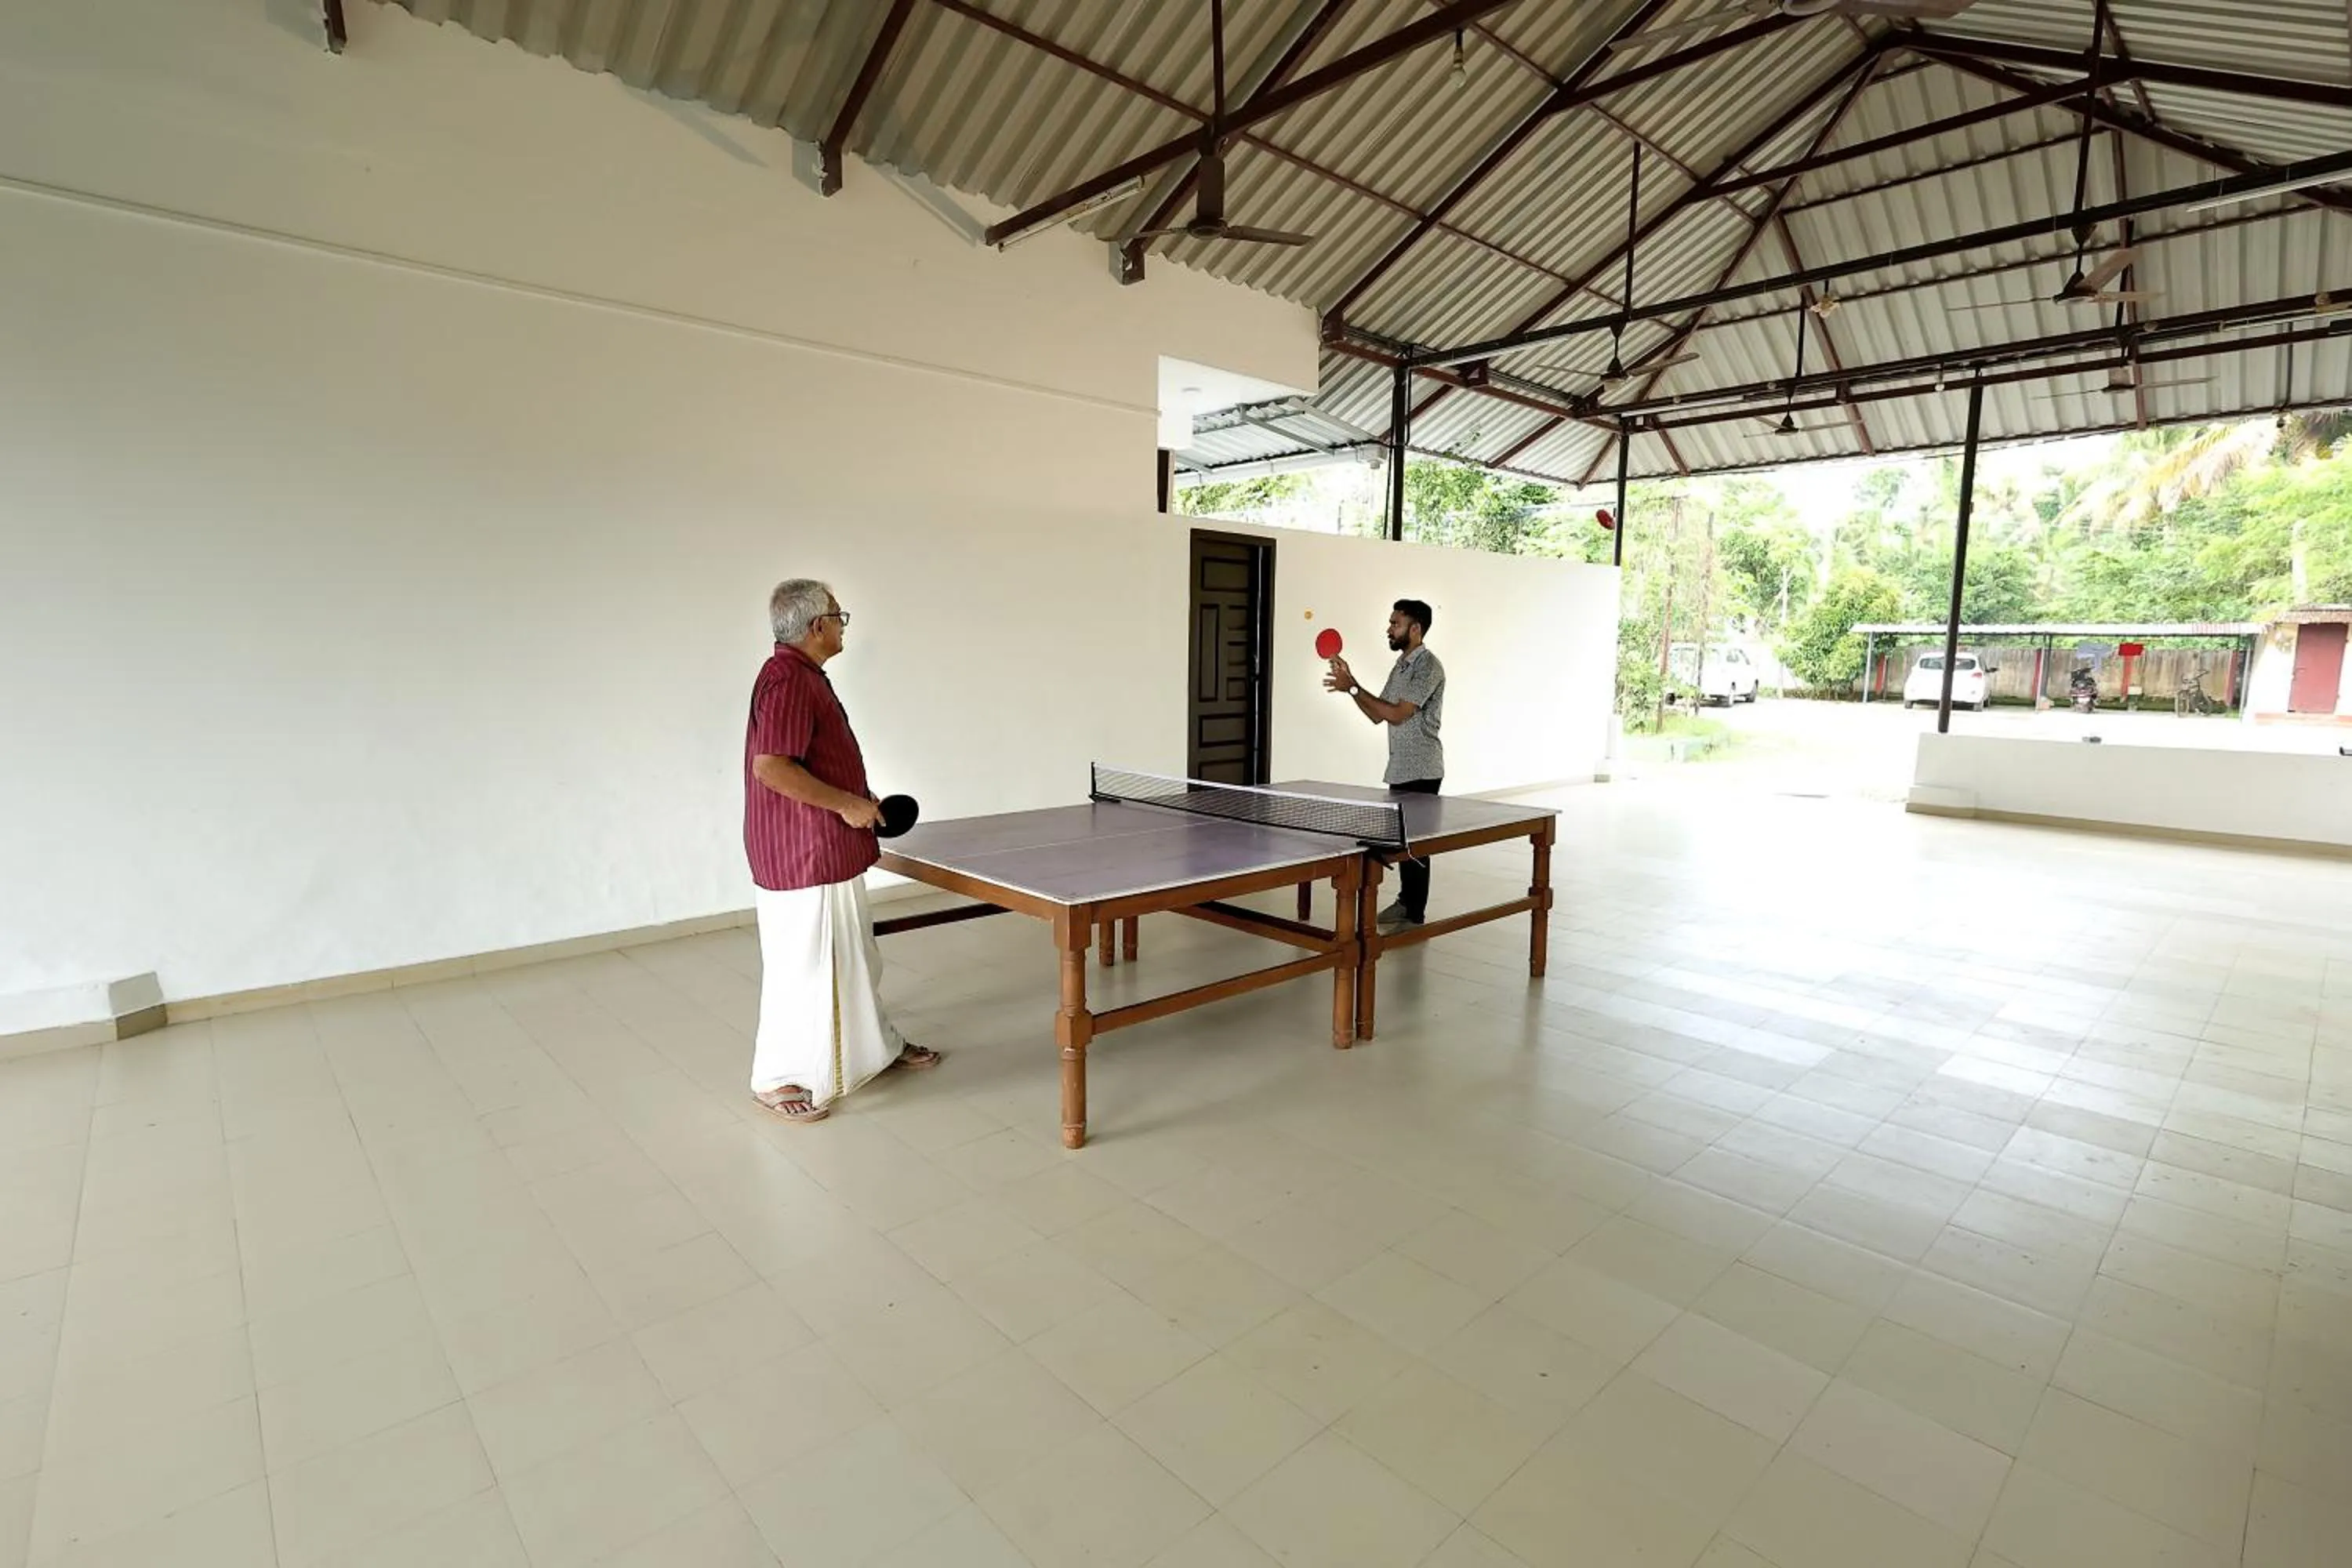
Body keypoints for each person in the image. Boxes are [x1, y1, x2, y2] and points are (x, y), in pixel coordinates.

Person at [742, 579, 938, 1123]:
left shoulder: (803, 676)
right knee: (804, 967)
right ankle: (779, 1078)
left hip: (826, 848)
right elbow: (772, 767)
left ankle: (875, 1049)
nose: (841, 624)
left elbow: (810, 760)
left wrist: (858, 798)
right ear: (816, 627)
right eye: (837, 615)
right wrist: (843, 806)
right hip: (803, 854)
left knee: (854, 956)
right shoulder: (787, 680)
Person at [1323, 598, 1445, 935]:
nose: (1389, 629)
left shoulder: (1428, 667)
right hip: (1400, 769)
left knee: (1417, 843)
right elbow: (1378, 714)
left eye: (1395, 624)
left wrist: (1353, 686)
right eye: (1390, 623)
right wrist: (1351, 688)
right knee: (1404, 841)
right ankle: (1406, 901)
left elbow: (1398, 713)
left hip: (1423, 768)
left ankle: (1415, 913)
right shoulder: (1402, 666)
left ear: (1415, 628)